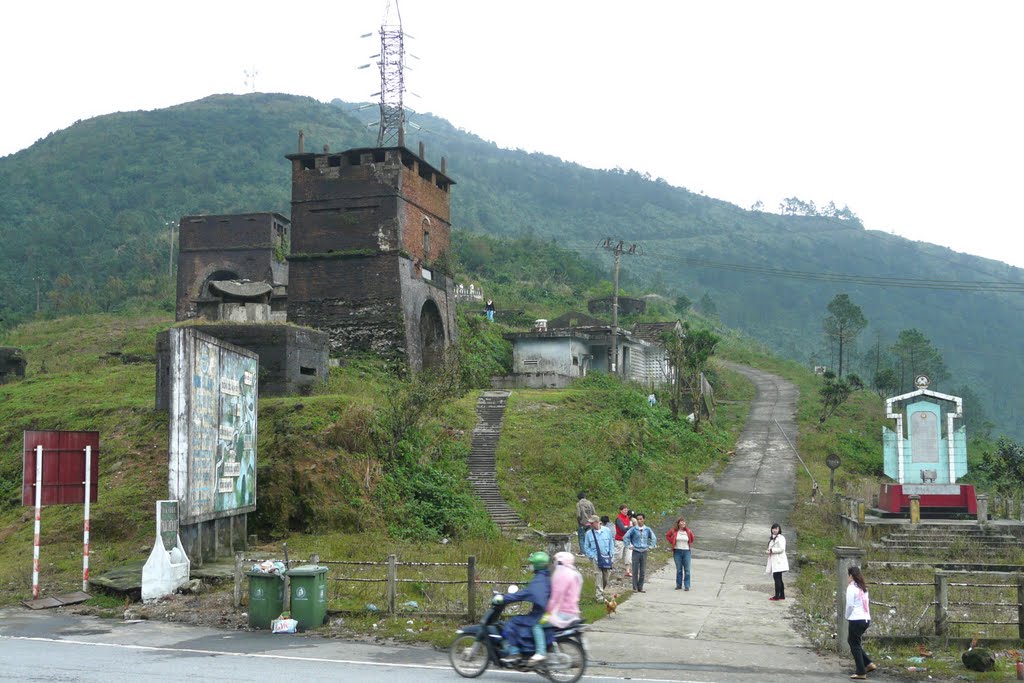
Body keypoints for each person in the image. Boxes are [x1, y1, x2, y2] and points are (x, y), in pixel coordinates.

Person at [493, 551, 551, 663]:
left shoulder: (539, 580)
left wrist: (505, 598)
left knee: (512, 623)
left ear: (537, 565)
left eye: (532, 564)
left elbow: (526, 594)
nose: (530, 566)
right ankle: (526, 650)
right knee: (522, 621)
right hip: (546, 611)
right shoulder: (544, 577)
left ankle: (515, 652)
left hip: (541, 614)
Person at [532, 551, 582, 663]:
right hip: (573, 612)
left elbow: (556, 596)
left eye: (556, 561)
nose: (554, 564)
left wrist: (548, 610)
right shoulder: (575, 574)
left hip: (561, 613)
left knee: (537, 625)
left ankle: (540, 652)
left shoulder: (562, 575)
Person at [846, 565, 876, 679]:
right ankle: (868, 663)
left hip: (856, 619)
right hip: (866, 619)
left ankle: (860, 671)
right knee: (855, 642)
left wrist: (847, 616)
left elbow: (849, 606)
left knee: (854, 644)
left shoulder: (851, 588)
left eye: (848, 575)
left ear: (851, 576)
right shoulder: (863, 588)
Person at [583, 515, 614, 599]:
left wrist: (611, 554)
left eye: (592, 523)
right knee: (598, 575)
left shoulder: (607, 531)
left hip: (607, 557)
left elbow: (611, 542)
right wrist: (592, 556)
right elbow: (586, 547)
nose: (590, 525)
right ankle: (599, 595)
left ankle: (601, 590)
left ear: (597, 522)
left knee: (606, 576)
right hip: (596, 558)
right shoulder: (588, 534)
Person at [623, 512, 656, 592]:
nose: (639, 521)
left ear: (644, 519)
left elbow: (653, 538)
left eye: (641, 519)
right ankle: (635, 587)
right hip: (636, 551)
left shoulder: (647, 529)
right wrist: (629, 545)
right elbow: (626, 537)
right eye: (638, 519)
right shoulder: (633, 529)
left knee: (643, 570)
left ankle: (640, 587)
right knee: (635, 569)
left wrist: (650, 546)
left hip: (644, 551)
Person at [666, 517, 695, 591]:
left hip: (686, 551)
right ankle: (678, 585)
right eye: (681, 522)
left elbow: (692, 539)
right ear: (678, 523)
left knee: (687, 570)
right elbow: (667, 535)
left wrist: (688, 544)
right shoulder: (674, 531)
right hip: (677, 551)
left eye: (684, 522)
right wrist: (672, 541)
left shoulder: (688, 531)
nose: (683, 523)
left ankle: (687, 585)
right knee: (679, 569)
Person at [765, 523, 789, 601]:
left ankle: (777, 596)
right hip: (775, 560)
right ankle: (782, 595)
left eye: (776, 529)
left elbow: (782, 549)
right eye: (773, 529)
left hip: (779, 561)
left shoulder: (781, 538)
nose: (774, 530)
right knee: (779, 578)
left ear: (779, 530)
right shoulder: (773, 538)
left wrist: (772, 550)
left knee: (777, 578)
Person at [614, 504, 631, 577]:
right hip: (620, 539)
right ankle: (610, 566)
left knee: (628, 556)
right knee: (618, 555)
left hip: (627, 539)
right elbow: (622, 529)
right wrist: (629, 528)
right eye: (624, 510)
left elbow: (626, 528)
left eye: (627, 510)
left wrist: (627, 527)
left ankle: (628, 571)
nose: (626, 511)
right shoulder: (618, 519)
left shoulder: (627, 517)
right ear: (621, 510)